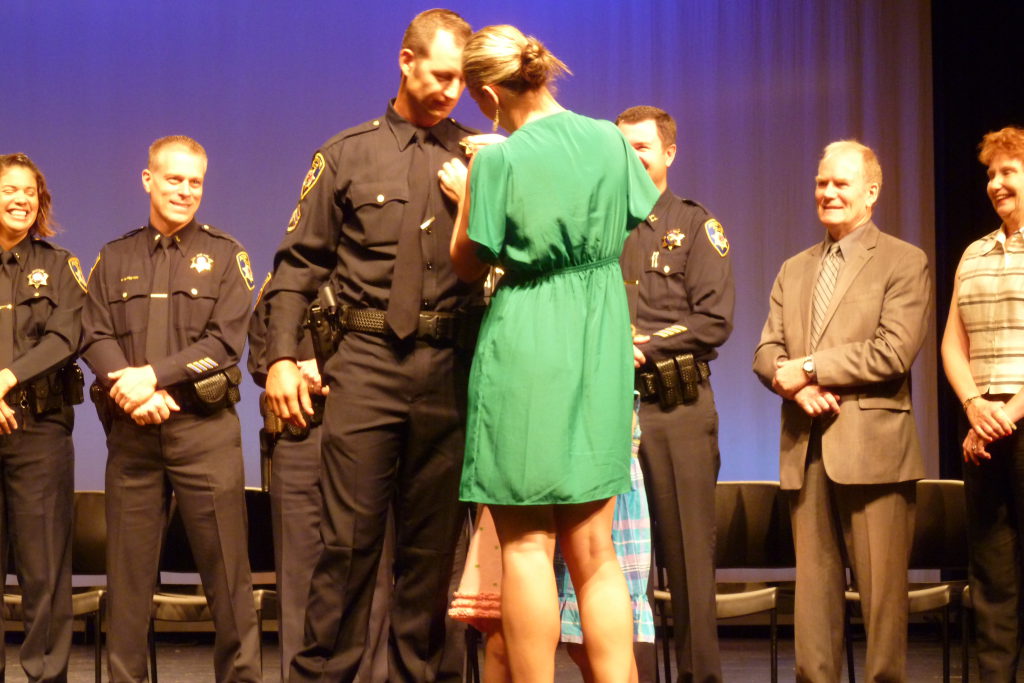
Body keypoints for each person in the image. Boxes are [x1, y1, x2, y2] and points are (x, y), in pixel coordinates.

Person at [262, 9, 483, 681]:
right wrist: (278, 358)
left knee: (430, 554)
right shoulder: (345, 154)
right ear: (405, 61)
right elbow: (296, 267)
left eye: (462, 81)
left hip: (449, 367)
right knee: (347, 548)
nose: (451, 90)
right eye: (441, 74)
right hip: (363, 364)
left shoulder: (480, 156)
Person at [448, 24, 660, 681]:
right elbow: (629, 216)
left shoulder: (500, 160)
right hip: (598, 338)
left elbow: (468, 259)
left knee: (526, 546)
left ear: (487, 91)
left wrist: (470, 193)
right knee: (596, 551)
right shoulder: (607, 139)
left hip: (529, 338)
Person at [80, 135, 261, 683]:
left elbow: (226, 342)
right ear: (148, 179)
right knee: (128, 582)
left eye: (195, 182)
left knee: (228, 577)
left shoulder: (229, 256)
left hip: (203, 435)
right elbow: (93, 334)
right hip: (133, 437)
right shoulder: (115, 256)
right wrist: (133, 390)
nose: (184, 190)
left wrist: (152, 378)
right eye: (174, 178)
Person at [752, 140, 930, 682]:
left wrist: (807, 368)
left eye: (841, 184)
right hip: (805, 450)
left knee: (881, 603)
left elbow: (893, 351)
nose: (828, 193)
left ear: (871, 192)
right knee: (814, 604)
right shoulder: (794, 268)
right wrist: (796, 389)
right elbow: (766, 353)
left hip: (875, 451)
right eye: (821, 183)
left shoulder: (904, 260)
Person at [616, 105, 735, 683]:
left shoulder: (695, 225)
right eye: (622, 147)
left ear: (668, 153)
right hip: (607, 411)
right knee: (616, 570)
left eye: (641, 146)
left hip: (675, 410)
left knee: (687, 564)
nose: (631, 157)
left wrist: (638, 344)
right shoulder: (595, 227)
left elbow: (713, 320)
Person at [246, 274, 391, 683]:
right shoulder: (282, 284)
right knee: (297, 579)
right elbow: (260, 356)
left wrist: (328, 367)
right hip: (300, 434)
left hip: (365, 434)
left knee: (370, 573)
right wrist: (289, 367)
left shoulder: (374, 275)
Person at [941, 125, 1024, 680]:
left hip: (1014, 416)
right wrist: (975, 408)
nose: (995, 183)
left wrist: (1005, 414)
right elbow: (953, 340)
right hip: (986, 423)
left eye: (1008, 171)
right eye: (990, 174)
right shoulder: (973, 253)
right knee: (992, 574)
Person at [0, 153, 85, 682]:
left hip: (38, 430)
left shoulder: (59, 264)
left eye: (30, 192)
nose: (21, 199)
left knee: (44, 568)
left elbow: (67, 335)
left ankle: (45, 676)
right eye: (9, 189)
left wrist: (6, 380)